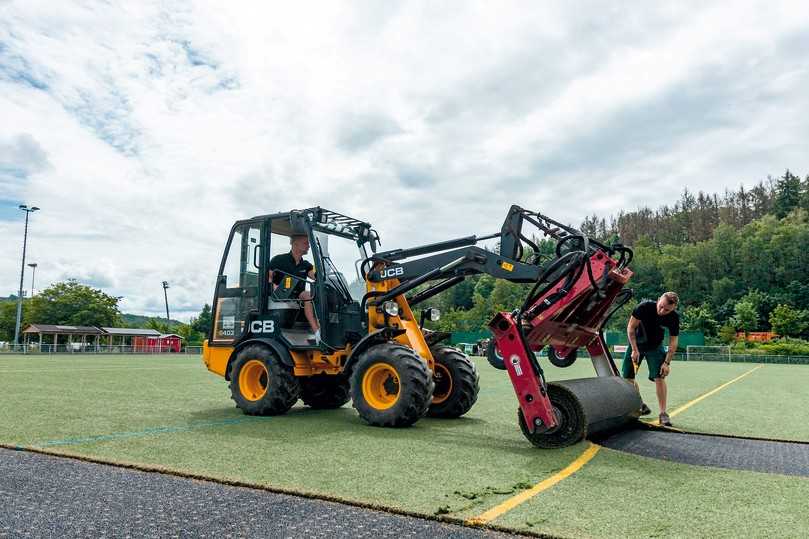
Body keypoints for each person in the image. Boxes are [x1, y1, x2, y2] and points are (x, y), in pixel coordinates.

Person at [622, 291, 680, 426]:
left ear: (673, 309)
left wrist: (667, 363)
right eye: (661, 306)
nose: (662, 311)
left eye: (667, 310)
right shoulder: (644, 307)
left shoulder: (674, 318)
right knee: (628, 378)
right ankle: (641, 405)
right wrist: (634, 349)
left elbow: (673, 342)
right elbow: (631, 328)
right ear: (658, 299)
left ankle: (663, 414)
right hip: (636, 343)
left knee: (660, 377)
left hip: (655, 347)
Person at [268, 234, 320, 343]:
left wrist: (321, 268)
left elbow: (315, 276)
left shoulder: (306, 265)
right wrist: (274, 288)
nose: (308, 246)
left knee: (308, 294)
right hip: (281, 294)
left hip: (298, 295)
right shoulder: (279, 260)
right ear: (295, 244)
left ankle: (317, 332)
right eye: (305, 243)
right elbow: (269, 276)